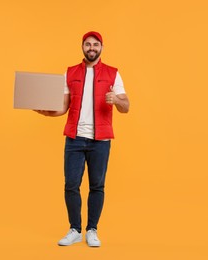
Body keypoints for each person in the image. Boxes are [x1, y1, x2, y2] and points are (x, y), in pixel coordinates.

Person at [35, 31, 130, 247]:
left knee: (97, 186)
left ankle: (92, 230)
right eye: (88, 44)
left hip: (101, 141)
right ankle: (75, 229)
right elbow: (62, 107)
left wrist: (116, 99)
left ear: (101, 48)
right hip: (74, 139)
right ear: (82, 47)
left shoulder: (113, 74)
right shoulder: (70, 72)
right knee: (71, 185)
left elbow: (126, 107)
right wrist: (43, 112)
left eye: (95, 44)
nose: (91, 48)